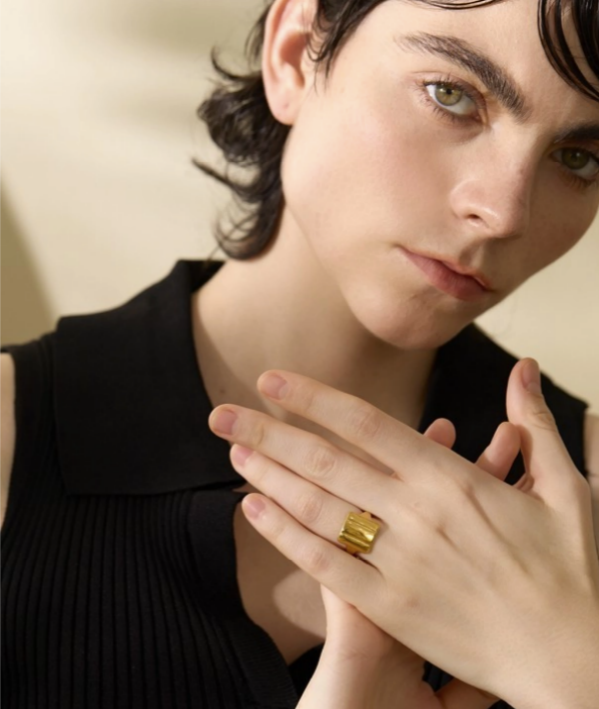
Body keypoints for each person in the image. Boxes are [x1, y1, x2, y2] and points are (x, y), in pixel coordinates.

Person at [2, 0, 599, 707]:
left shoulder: (582, 500)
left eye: (578, 157)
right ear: (292, 55)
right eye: (452, 95)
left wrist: (569, 667)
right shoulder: (14, 434)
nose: (503, 211)